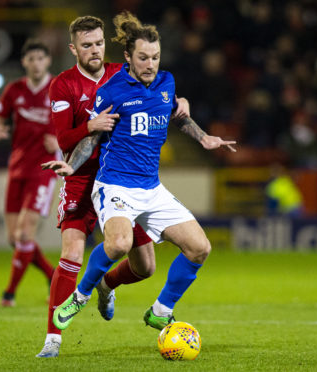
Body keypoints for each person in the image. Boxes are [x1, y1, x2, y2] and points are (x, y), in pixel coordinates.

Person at [44, 11, 236, 335]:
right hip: (115, 186)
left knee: (200, 248)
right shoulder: (112, 91)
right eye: (144, 58)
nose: (151, 64)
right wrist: (72, 165)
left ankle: (160, 311)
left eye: (156, 57)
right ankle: (80, 295)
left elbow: (178, 115)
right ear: (128, 59)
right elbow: (92, 138)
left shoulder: (166, 82)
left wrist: (203, 137)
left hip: (151, 188)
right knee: (119, 243)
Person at [0, 38, 59, 307]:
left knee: (25, 234)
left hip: (44, 170)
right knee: (14, 238)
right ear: (24, 62)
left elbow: (80, 125)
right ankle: (53, 276)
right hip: (17, 168)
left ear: (48, 61)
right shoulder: (14, 90)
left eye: (41, 58)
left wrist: (61, 142)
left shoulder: (58, 89)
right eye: (32, 59)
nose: (36, 63)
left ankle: (9, 294)